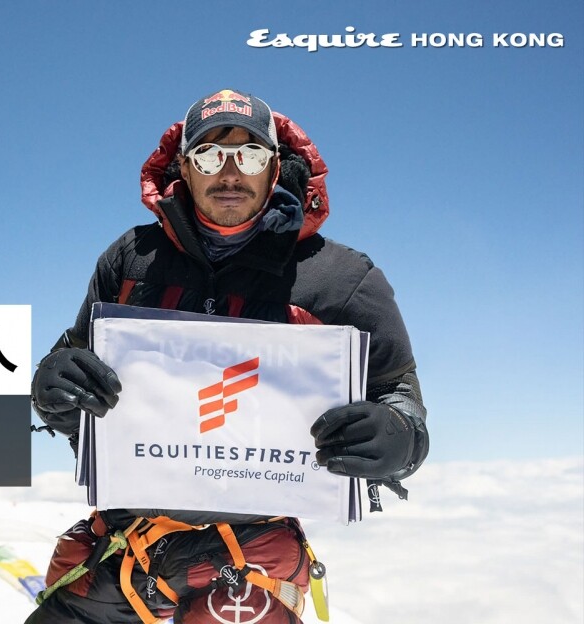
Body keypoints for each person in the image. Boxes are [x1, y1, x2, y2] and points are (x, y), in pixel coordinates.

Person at [26, 89, 429, 624]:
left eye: (250, 155)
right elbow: (77, 369)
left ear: (276, 167)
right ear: (184, 168)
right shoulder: (131, 260)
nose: (231, 173)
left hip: (250, 556)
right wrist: (53, 387)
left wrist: (397, 437)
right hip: (127, 544)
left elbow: (398, 393)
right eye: (210, 155)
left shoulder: (342, 279)